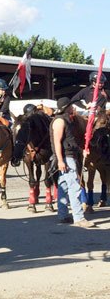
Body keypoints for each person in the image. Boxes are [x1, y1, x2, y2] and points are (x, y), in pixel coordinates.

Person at [50, 97, 95, 228]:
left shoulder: (66, 120)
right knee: (74, 187)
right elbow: (57, 142)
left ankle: (63, 215)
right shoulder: (60, 121)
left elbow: (69, 140)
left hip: (68, 156)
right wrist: (60, 160)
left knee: (63, 187)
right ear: (66, 107)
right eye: (70, 106)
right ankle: (79, 218)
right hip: (66, 158)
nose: (73, 107)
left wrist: (81, 151)